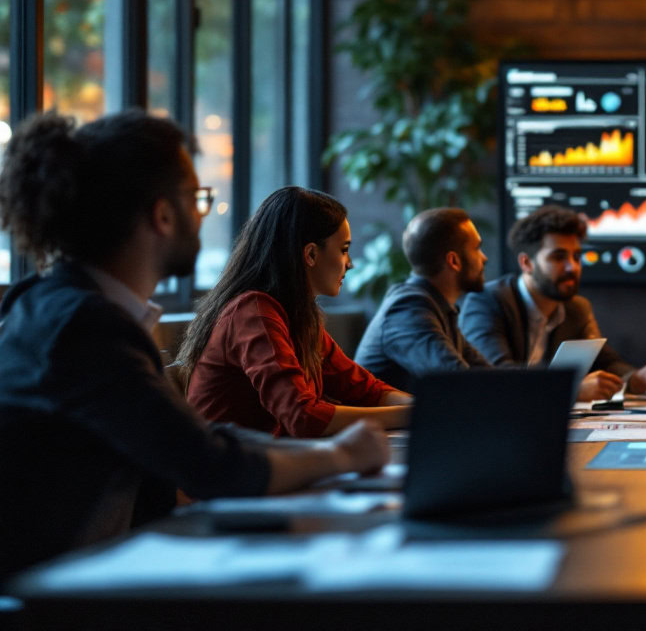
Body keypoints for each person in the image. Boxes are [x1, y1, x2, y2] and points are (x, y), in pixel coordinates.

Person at [0, 112, 387, 576]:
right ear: (162, 214)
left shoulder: (56, 305)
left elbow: (197, 441)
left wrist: (328, 452)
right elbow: (210, 464)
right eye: (197, 198)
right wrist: (340, 456)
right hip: (47, 599)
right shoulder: (85, 326)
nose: (203, 213)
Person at [181, 187, 413, 437]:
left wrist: (427, 408)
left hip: (266, 462)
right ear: (311, 254)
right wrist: (413, 414)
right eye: (344, 250)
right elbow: (303, 417)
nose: (350, 263)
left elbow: (364, 390)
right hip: (227, 470)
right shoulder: (253, 312)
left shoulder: (295, 316)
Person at [460, 205, 646, 401]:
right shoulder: (487, 302)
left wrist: (637, 378)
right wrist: (572, 389)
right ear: (527, 263)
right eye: (558, 257)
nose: (572, 267)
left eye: (577, 256)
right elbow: (495, 378)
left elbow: (606, 362)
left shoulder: (576, 308)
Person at [355, 208, 492, 391]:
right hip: (385, 421)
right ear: (453, 261)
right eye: (477, 248)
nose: (484, 258)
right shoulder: (408, 310)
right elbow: (459, 383)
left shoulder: (436, 307)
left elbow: (487, 376)